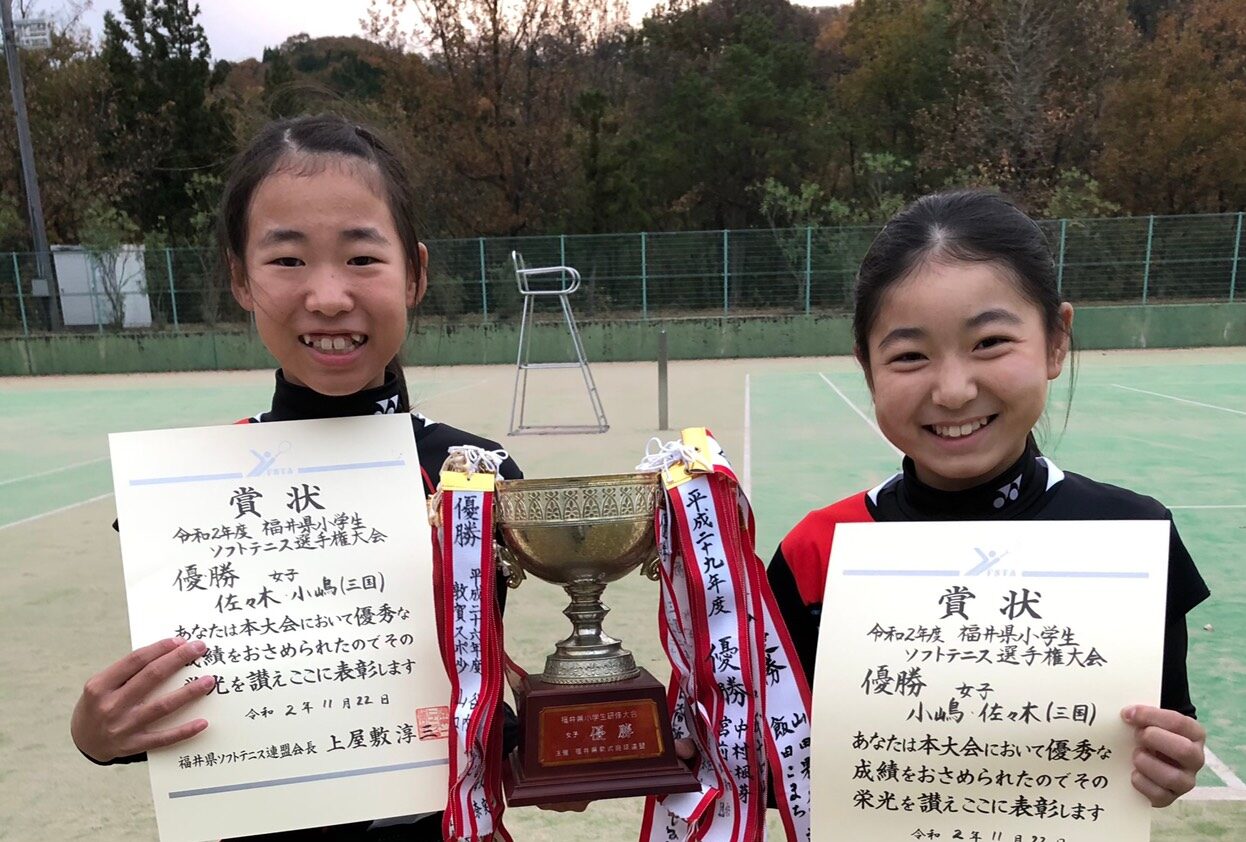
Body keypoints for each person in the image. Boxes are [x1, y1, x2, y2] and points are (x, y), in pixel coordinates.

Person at [69, 114, 522, 840]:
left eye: (362, 258)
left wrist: (562, 744)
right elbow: (207, 707)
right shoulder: (187, 493)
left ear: (417, 273)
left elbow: (472, 689)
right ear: (240, 279)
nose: (329, 297)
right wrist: (100, 733)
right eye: (287, 260)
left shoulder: (474, 477)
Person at [768, 189, 1210, 808]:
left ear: (1057, 341)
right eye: (910, 355)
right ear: (867, 368)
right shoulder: (817, 550)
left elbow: (1157, 740)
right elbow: (778, 763)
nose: (952, 390)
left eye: (990, 343)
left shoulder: (1134, 536)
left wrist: (1170, 766)